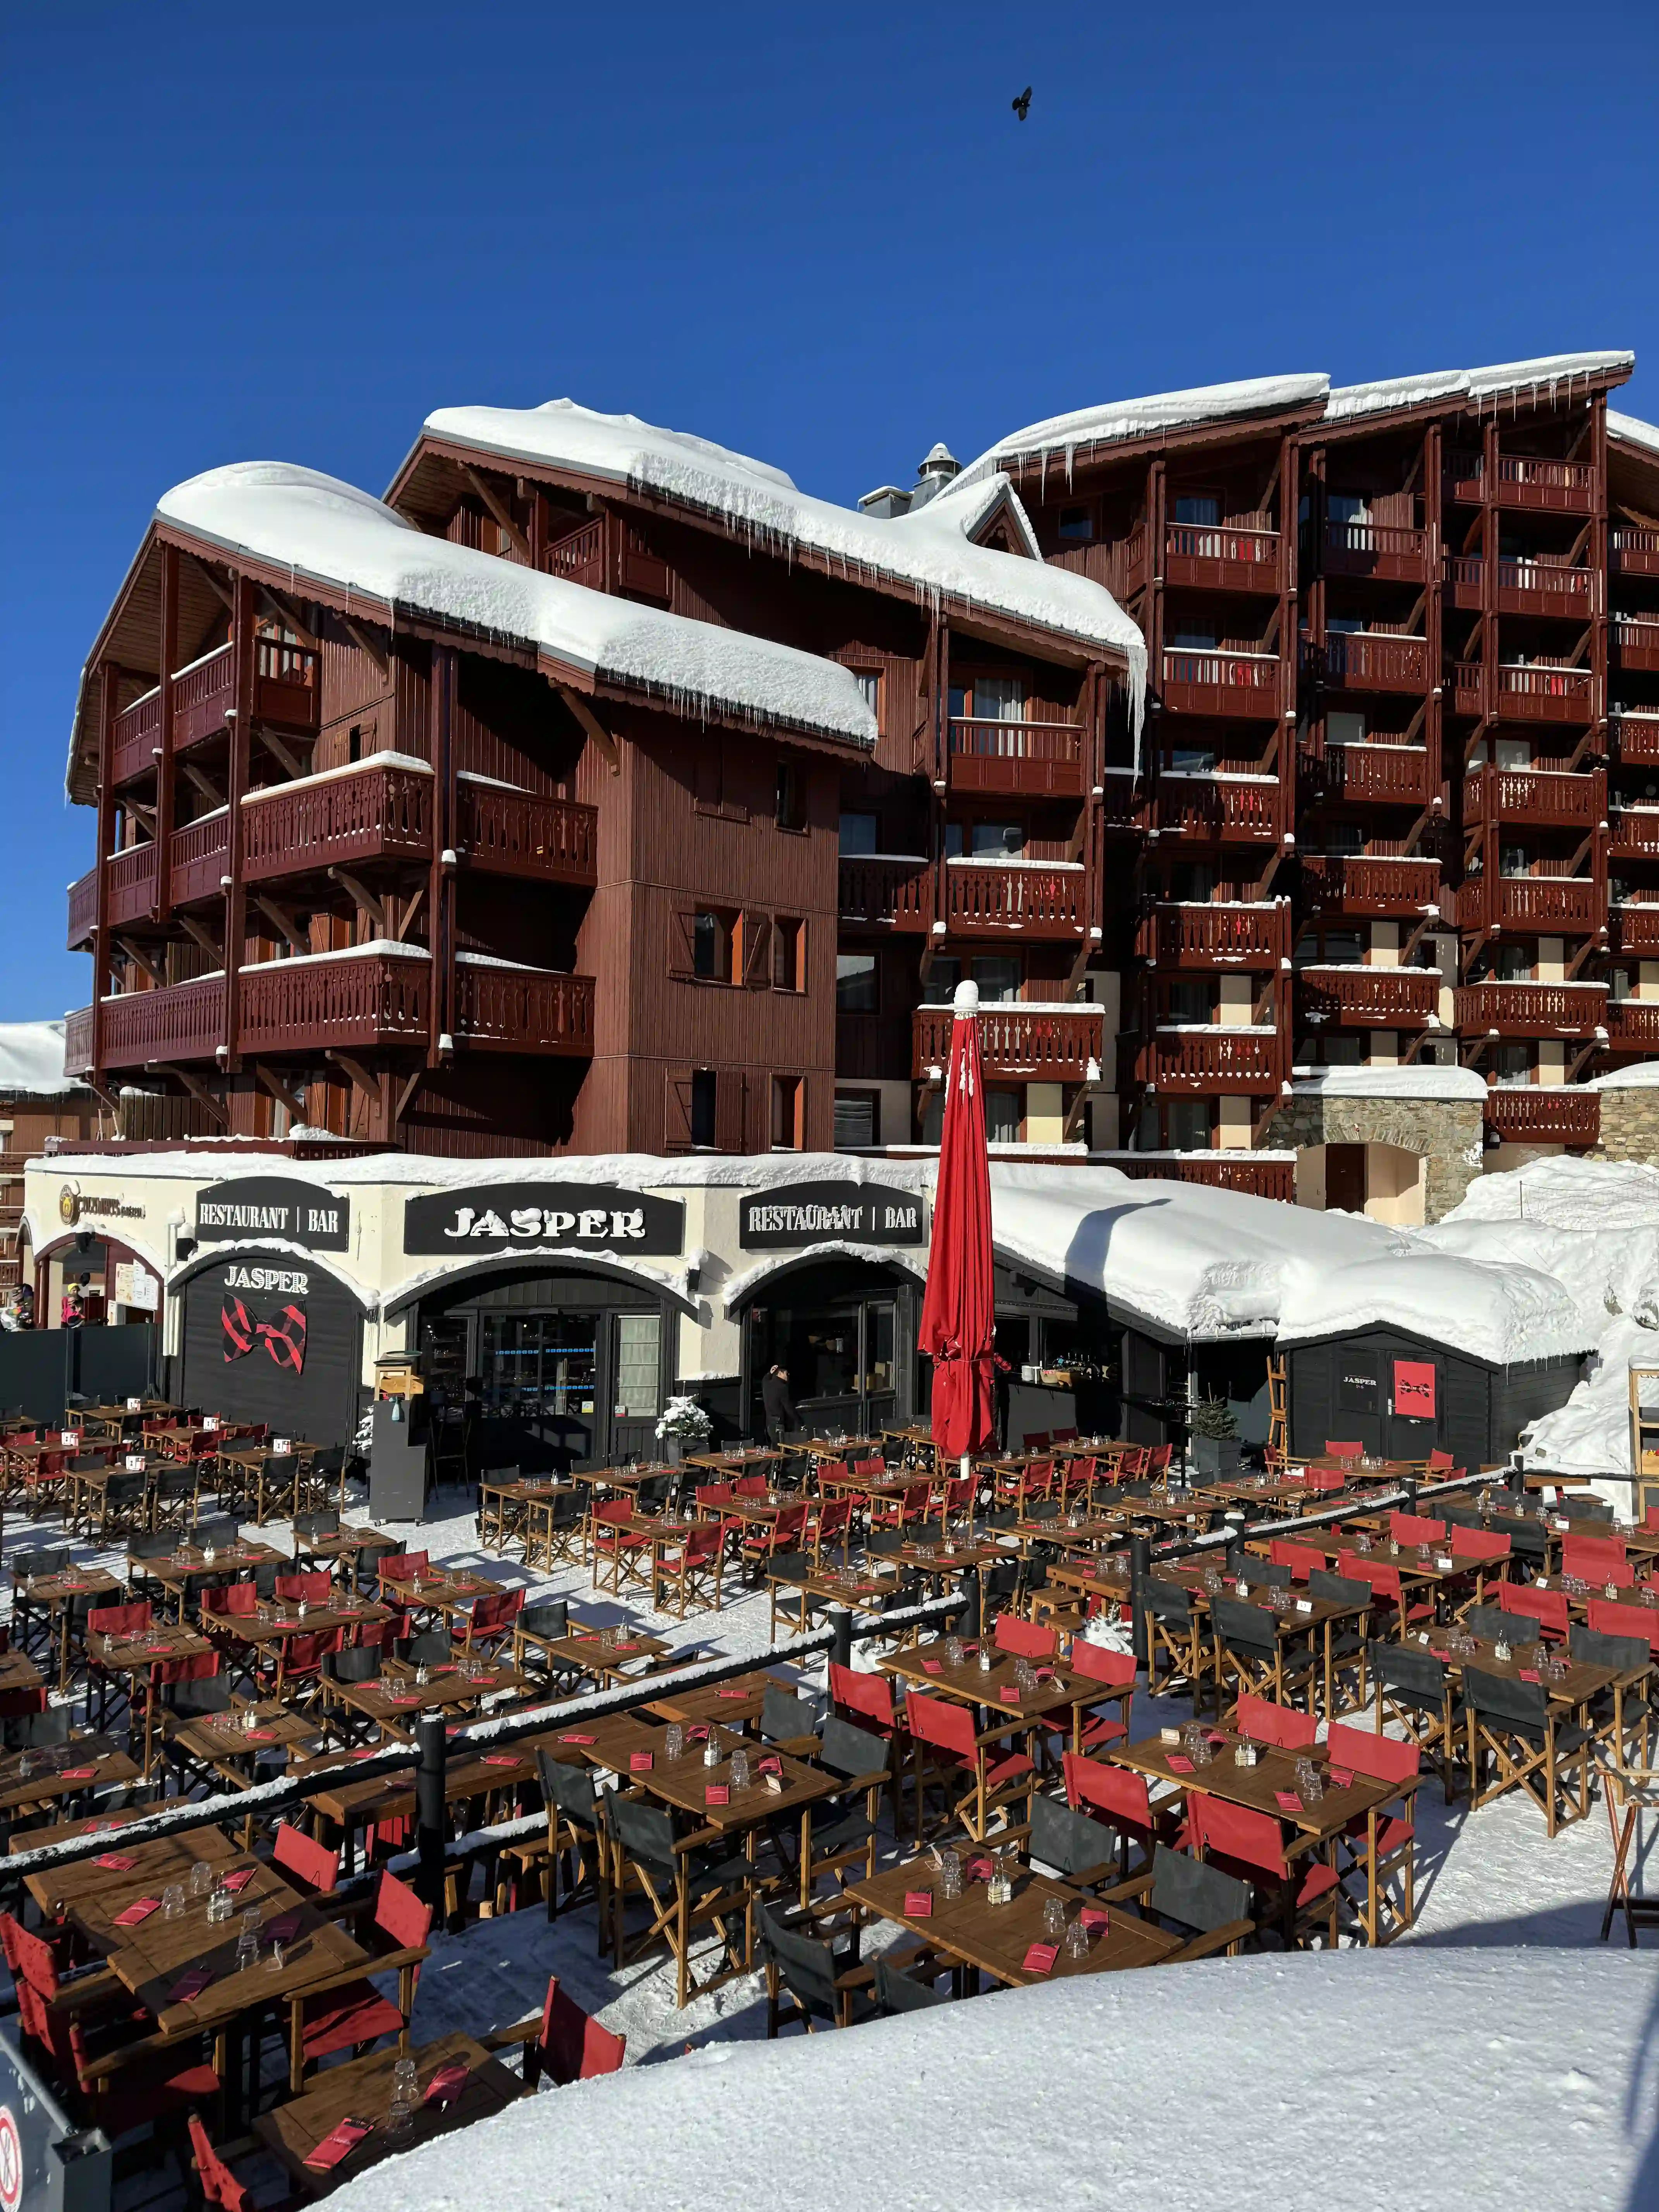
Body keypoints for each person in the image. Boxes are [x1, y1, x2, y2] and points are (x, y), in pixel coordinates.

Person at [761, 1362, 797, 1447]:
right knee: (780, 1450)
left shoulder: (766, 1385)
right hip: (779, 1424)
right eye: (786, 1373)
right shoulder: (782, 1388)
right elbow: (788, 1408)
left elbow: (764, 1380)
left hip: (769, 1423)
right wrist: (798, 1421)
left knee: (772, 1449)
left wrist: (770, 1373)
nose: (788, 1376)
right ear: (780, 1373)